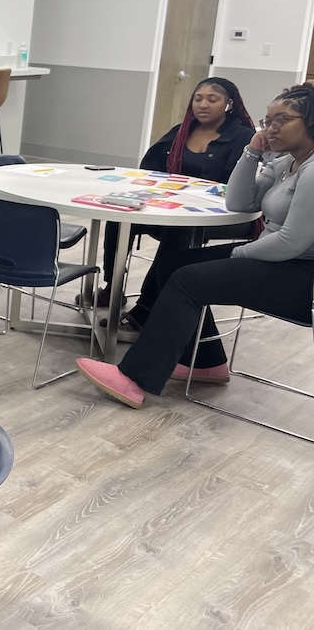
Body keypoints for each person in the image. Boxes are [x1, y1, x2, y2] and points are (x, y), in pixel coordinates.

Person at [77, 83, 314, 409]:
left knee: (189, 279)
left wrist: (237, 253)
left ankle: (134, 379)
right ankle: (206, 362)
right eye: (267, 120)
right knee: (173, 264)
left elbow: (291, 242)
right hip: (277, 258)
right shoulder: (286, 163)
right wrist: (252, 151)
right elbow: (240, 201)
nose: (270, 128)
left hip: (301, 276)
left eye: (282, 120)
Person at [92, 77, 256, 311]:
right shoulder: (181, 132)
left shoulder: (242, 136)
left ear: (228, 103)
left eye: (212, 99)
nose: (203, 105)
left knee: (180, 229)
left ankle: (147, 306)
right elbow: (150, 170)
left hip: (225, 215)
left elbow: (235, 186)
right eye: (198, 99)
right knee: (121, 217)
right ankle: (113, 287)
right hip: (174, 208)